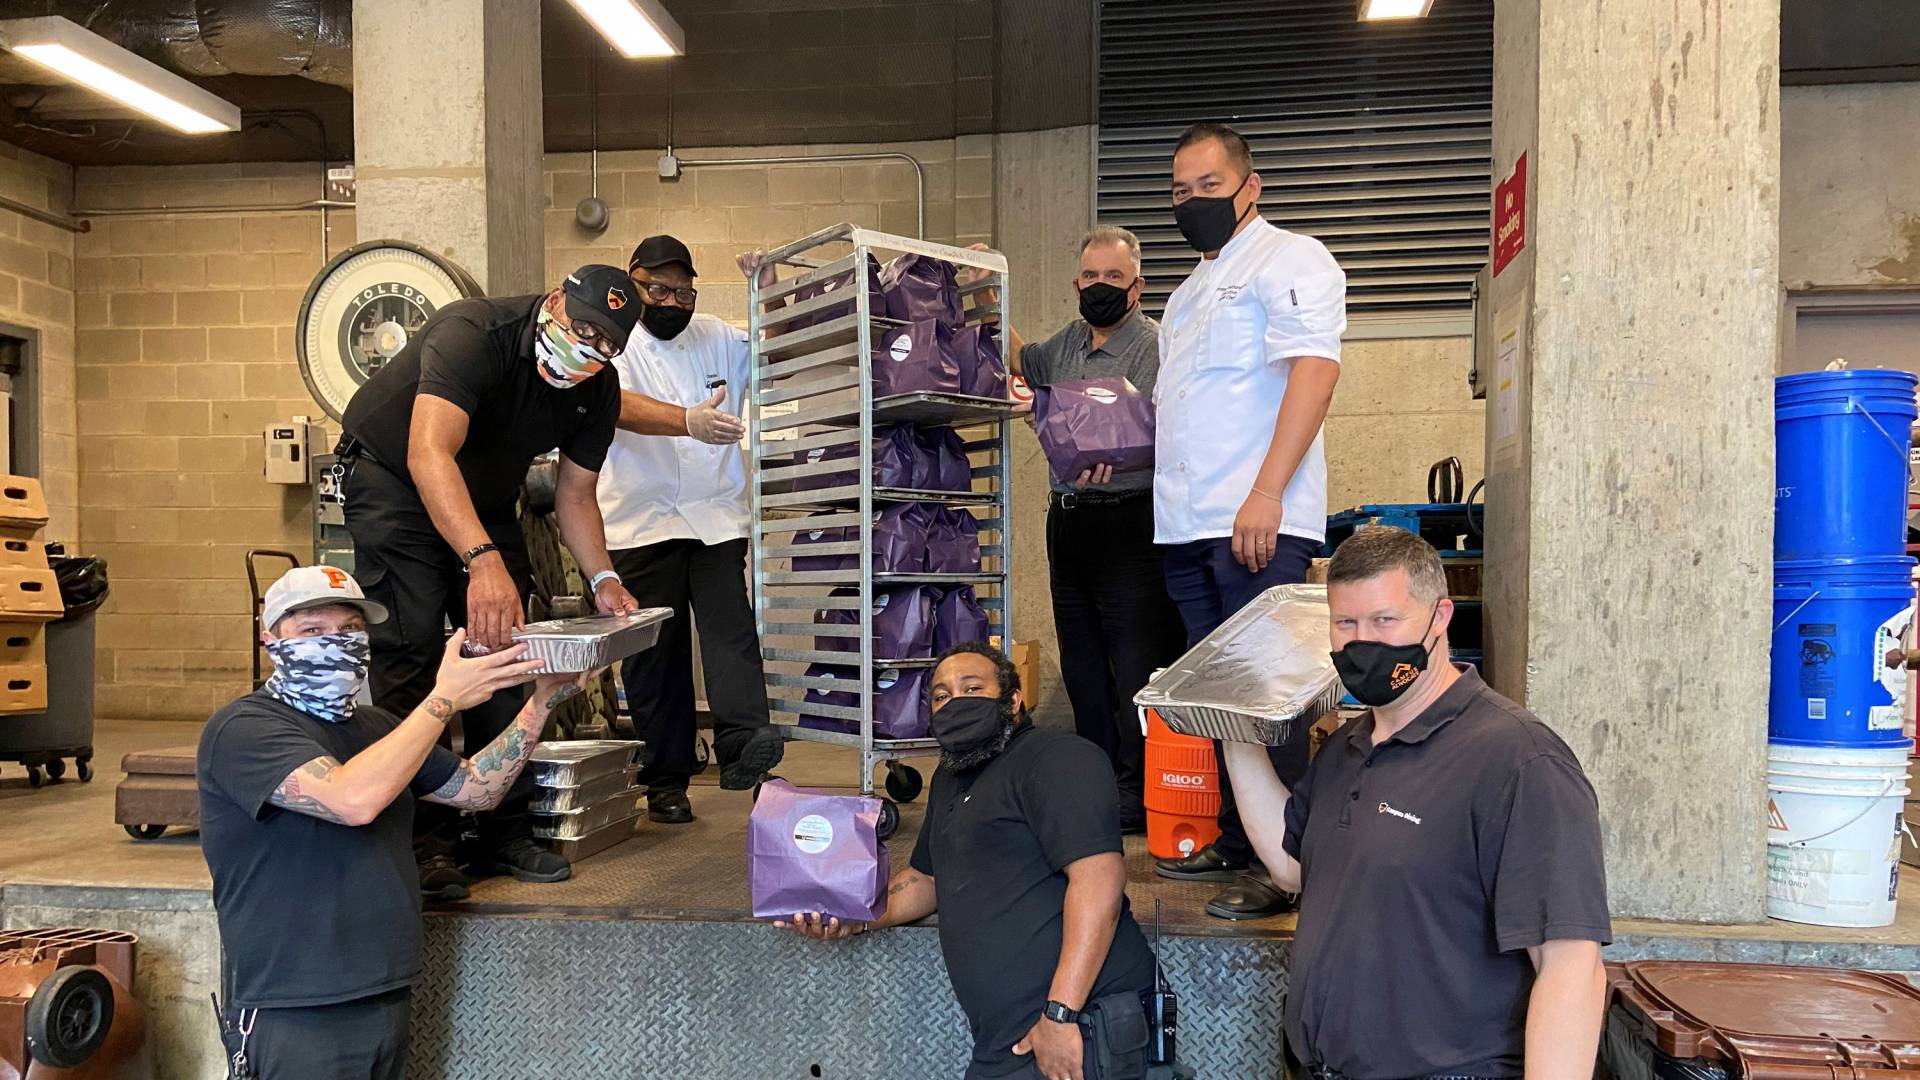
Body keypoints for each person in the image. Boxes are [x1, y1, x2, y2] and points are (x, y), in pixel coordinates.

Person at [1221, 527, 1611, 1076]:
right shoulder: (1345, 748)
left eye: (1385, 621)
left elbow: (1570, 964)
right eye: (1345, 624)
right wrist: (1234, 734)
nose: (1363, 643)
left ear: (1440, 617)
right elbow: (1294, 869)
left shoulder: (1519, 761)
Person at [197, 566, 596, 1079]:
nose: (336, 644)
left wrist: (542, 702)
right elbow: (351, 800)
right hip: (297, 1007)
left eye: (349, 630)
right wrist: (443, 699)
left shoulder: (377, 728)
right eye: (313, 631)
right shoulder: (244, 728)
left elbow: (478, 788)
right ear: (269, 638)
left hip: (384, 991)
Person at [338, 264, 643, 898]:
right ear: (555, 298)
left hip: (483, 495)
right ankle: (423, 845)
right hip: (395, 482)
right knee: (412, 651)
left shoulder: (597, 390)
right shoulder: (473, 332)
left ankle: (501, 830)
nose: (589, 347)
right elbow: (429, 454)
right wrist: (482, 559)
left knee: (508, 650)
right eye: (581, 325)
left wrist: (605, 579)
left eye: (607, 343)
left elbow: (577, 496)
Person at [778, 644, 1171, 1080]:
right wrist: (854, 914)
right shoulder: (949, 777)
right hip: (1008, 1038)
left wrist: (1061, 1015)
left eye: (972, 688)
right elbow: (927, 880)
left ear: (1014, 700)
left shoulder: (1057, 757)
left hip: (1080, 1026)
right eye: (942, 695)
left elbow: (1099, 883)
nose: (955, 702)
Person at [1149, 122, 1345, 921]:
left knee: (1268, 698)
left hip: (1255, 517)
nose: (1194, 201)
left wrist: (1266, 493)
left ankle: (1295, 861)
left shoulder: (1291, 259)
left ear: (1248, 186)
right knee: (1219, 698)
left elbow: (1315, 371)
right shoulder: (1187, 293)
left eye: (1209, 186)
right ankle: (1242, 843)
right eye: (1180, 191)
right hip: (1187, 525)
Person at [966, 227, 1187, 834]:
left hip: (1131, 525)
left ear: (1137, 286)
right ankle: (1095, 781)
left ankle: (1137, 787)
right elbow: (1017, 357)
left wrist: (1124, 456)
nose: (1100, 288)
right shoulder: (1063, 347)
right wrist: (989, 289)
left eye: (1114, 279)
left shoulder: (1156, 347)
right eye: (1091, 278)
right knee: (1083, 662)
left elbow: (1172, 433)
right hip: (1068, 526)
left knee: (1136, 665)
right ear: (1076, 283)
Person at [592, 234, 787, 824]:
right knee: (656, 656)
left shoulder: (720, 336)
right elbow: (611, 402)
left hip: (715, 512)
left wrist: (770, 289)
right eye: (659, 289)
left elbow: (778, 350)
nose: (672, 301)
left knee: (730, 631)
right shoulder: (613, 339)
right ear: (634, 282)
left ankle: (743, 745)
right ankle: (666, 777)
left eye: (683, 291)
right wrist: (685, 421)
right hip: (640, 518)